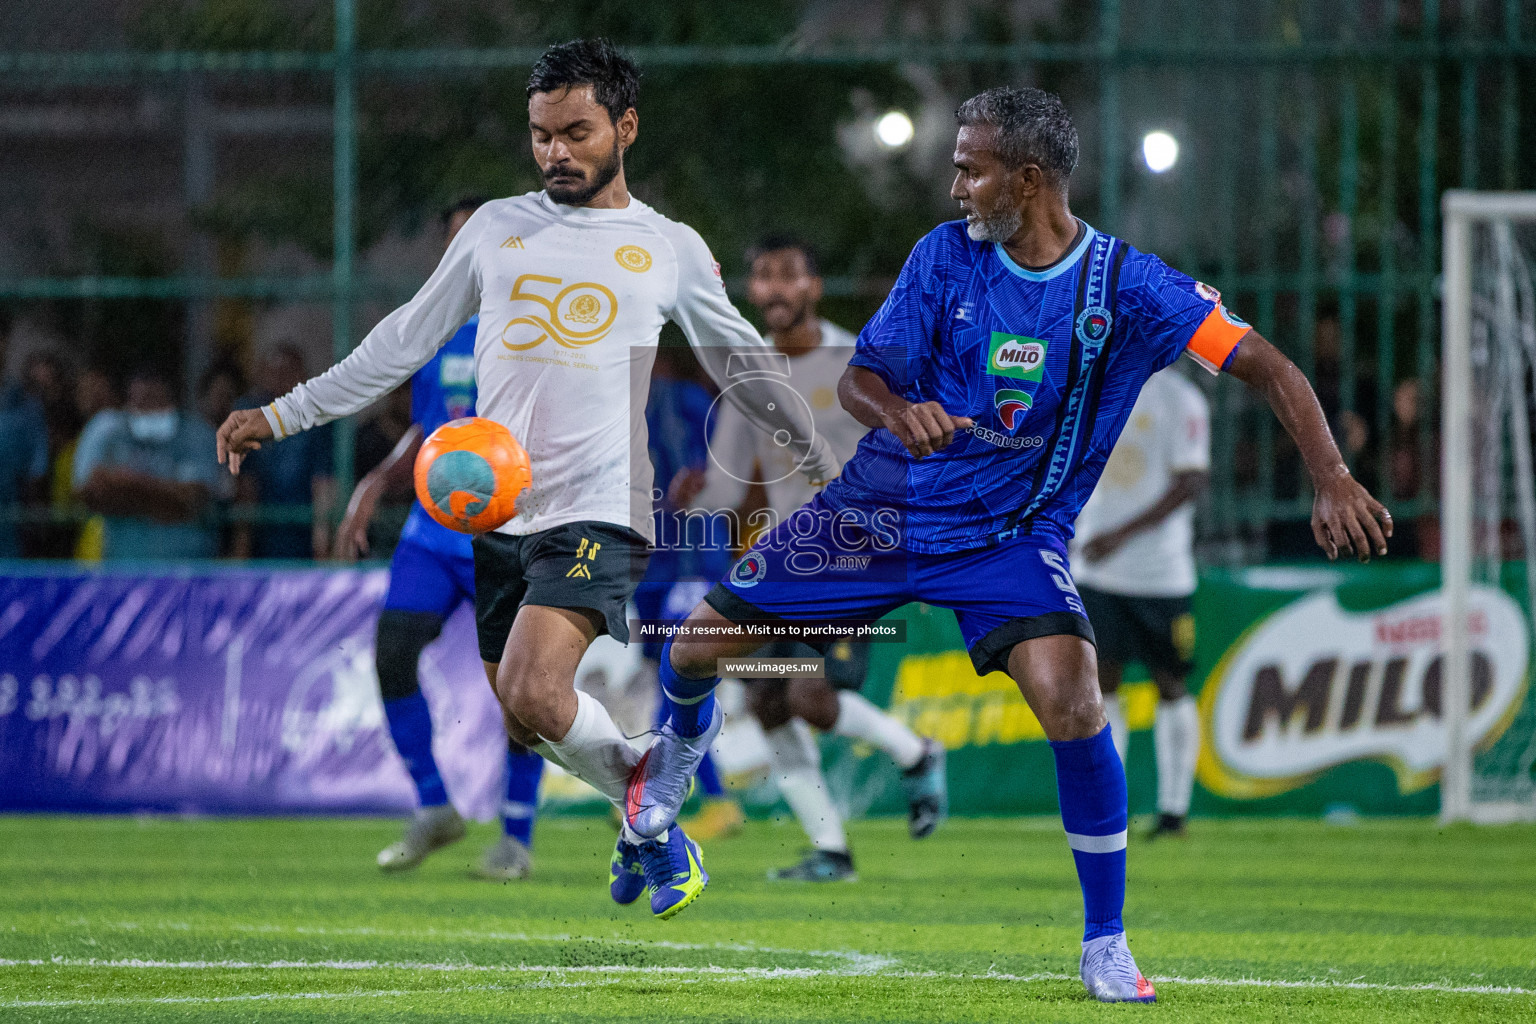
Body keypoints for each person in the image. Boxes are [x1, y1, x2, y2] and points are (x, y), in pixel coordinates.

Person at [630, 87, 1392, 1001]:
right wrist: (896, 410)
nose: (954, 185)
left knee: (1074, 702)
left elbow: (1266, 364)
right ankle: (669, 773)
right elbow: (864, 377)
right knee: (695, 647)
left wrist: (1331, 474)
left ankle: (1105, 942)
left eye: (970, 167)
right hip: (880, 513)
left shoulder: (1129, 288)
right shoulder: (942, 257)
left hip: (1009, 539)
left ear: (1026, 181)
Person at [214, 39, 836, 921]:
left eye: (576, 132)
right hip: (500, 515)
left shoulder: (668, 246)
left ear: (624, 127)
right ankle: (650, 814)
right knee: (523, 718)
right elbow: (402, 339)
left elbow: (741, 358)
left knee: (536, 691)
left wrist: (816, 451)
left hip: (601, 509)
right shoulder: (495, 228)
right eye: (542, 134)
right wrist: (283, 414)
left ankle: (656, 821)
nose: (556, 152)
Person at [680, 235, 947, 882]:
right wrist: (689, 500)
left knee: (806, 694)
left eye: (788, 275)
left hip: (862, 556)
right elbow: (723, 488)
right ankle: (832, 850)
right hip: (784, 560)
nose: (774, 289)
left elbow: (912, 448)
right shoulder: (748, 375)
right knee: (769, 702)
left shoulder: (856, 361)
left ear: (813, 288)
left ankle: (916, 754)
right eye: (763, 277)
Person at [334, 197, 547, 881]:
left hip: (509, 539)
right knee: (393, 652)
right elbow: (428, 435)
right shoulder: (435, 330)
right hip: (432, 535)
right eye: (458, 242)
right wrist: (375, 484)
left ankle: (515, 836)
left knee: (523, 691)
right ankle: (434, 806)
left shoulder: (545, 331)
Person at [1070, 366, 1209, 839]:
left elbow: (1191, 483)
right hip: (1095, 571)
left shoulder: (1181, 398)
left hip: (1160, 574)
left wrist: (1119, 535)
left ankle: (1173, 811)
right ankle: (1110, 807)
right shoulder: (1094, 387)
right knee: (1099, 686)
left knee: (1170, 682)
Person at [634, 344, 744, 842]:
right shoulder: (628, 407)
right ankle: (693, 794)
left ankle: (695, 796)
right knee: (670, 676)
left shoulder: (689, 402)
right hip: (651, 564)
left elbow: (730, 471)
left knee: (681, 675)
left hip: (692, 561)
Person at [73, 366, 230, 559]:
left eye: (152, 400)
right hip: (124, 565)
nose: (144, 408)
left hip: (188, 566)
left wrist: (127, 484)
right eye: (138, 401)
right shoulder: (108, 429)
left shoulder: (199, 434)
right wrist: (163, 498)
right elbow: (90, 494)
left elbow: (192, 500)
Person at [235, 344, 335, 559]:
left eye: (287, 372)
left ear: (302, 376)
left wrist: (322, 546)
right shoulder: (250, 414)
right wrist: (241, 548)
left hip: (303, 538)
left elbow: (323, 485)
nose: (279, 379)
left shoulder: (316, 420)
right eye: (273, 373)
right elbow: (246, 486)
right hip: (263, 539)